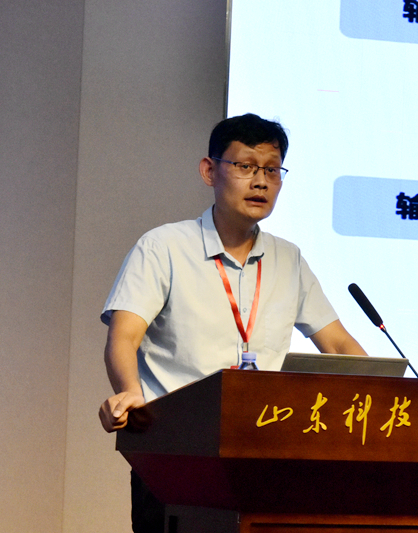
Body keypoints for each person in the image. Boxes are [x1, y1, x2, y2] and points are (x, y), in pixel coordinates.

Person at [98, 113, 366, 532]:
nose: (261, 182)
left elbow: (338, 345)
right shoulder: (164, 247)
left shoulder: (288, 259)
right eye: (245, 166)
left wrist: (385, 396)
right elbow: (123, 337)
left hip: (263, 456)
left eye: (272, 170)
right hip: (177, 454)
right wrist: (130, 392)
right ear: (210, 171)